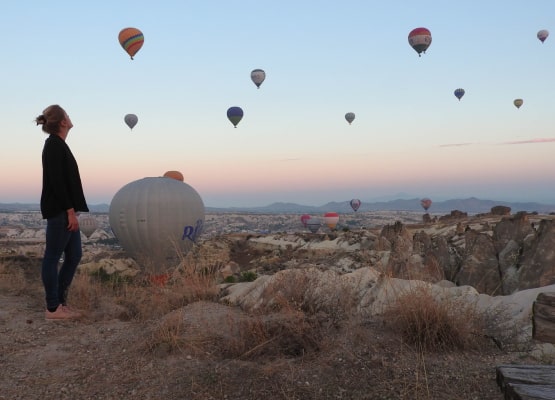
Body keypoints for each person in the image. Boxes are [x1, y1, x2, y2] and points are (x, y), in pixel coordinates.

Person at [36, 105, 89, 320]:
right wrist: (69, 211)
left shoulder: (58, 145)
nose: (70, 117)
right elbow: (58, 183)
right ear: (62, 122)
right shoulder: (53, 146)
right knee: (52, 257)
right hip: (60, 211)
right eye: (67, 114)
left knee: (75, 255)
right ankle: (52, 308)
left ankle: (60, 303)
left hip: (65, 210)